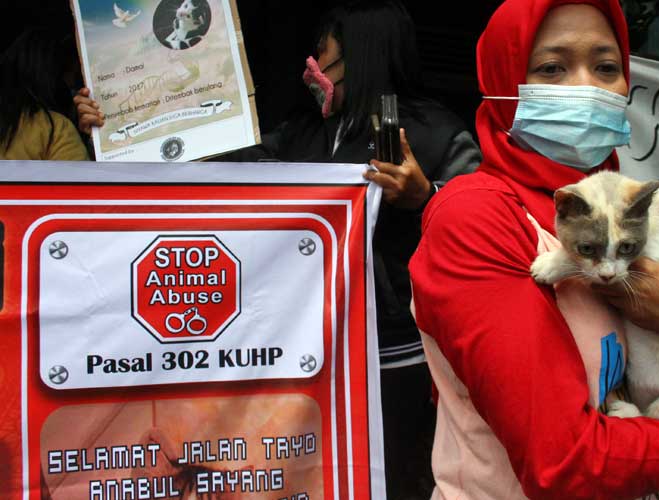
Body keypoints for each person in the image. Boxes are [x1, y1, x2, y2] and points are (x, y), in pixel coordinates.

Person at [73, 1, 481, 497]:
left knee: (392, 477)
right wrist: (118, 125)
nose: (312, 67)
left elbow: (483, 232)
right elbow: (214, 158)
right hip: (307, 354)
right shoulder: (302, 132)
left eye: (322, 53)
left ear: (359, 55)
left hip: (396, 359)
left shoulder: (439, 133)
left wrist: (427, 198)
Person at [407, 0, 659, 499]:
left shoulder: (630, 213)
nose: (586, 86)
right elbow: (565, 464)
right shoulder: (476, 219)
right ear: (502, 81)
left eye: (606, 67)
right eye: (551, 68)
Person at [1, 28, 88, 161]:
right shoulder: (56, 130)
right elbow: (80, 179)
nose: (77, 91)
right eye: (75, 78)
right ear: (54, 78)